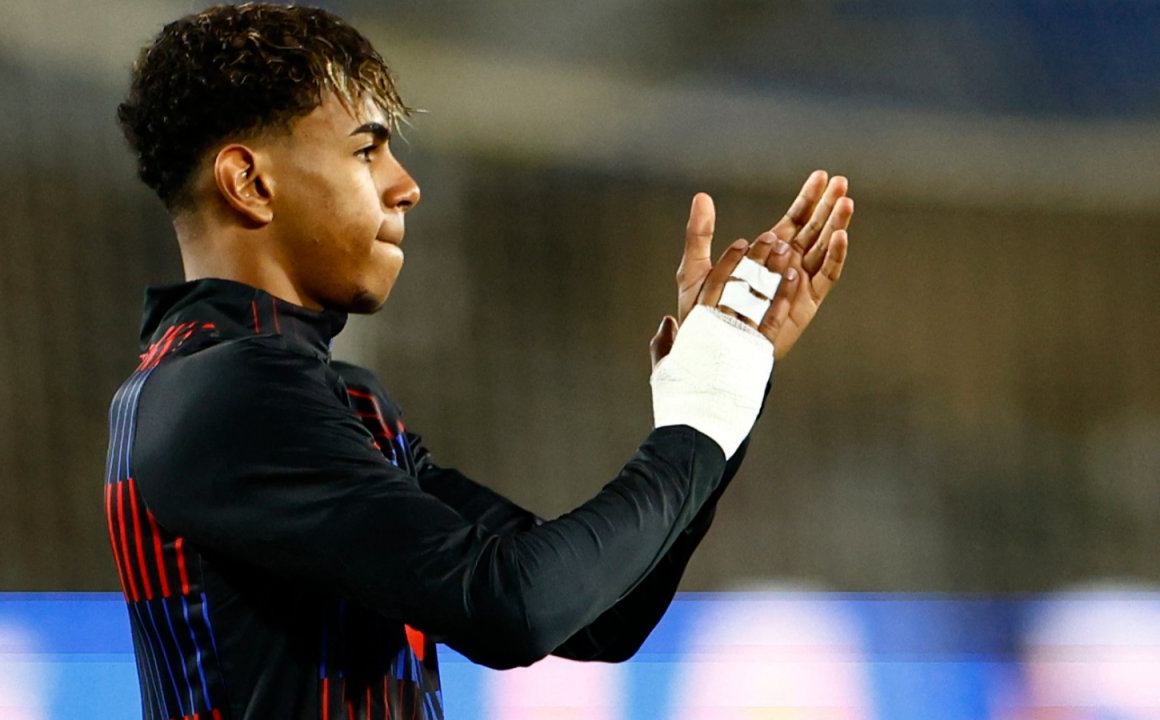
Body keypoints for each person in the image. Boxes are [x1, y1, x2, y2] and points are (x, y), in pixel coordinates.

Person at [105, 4, 853, 720]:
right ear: (250, 182)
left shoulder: (305, 396)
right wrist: (700, 418)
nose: (405, 186)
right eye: (366, 151)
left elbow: (599, 616)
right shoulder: (229, 395)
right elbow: (512, 608)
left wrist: (725, 385)